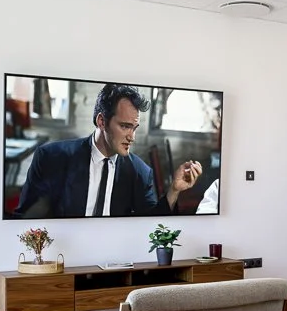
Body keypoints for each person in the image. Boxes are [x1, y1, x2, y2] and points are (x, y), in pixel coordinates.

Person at [13, 83, 203, 218]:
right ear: (101, 121)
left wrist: (174, 190)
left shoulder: (139, 172)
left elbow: (151, 224)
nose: (132, 137)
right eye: (125, 127)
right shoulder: (52, 158)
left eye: (134, 128)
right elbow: (26, 220)